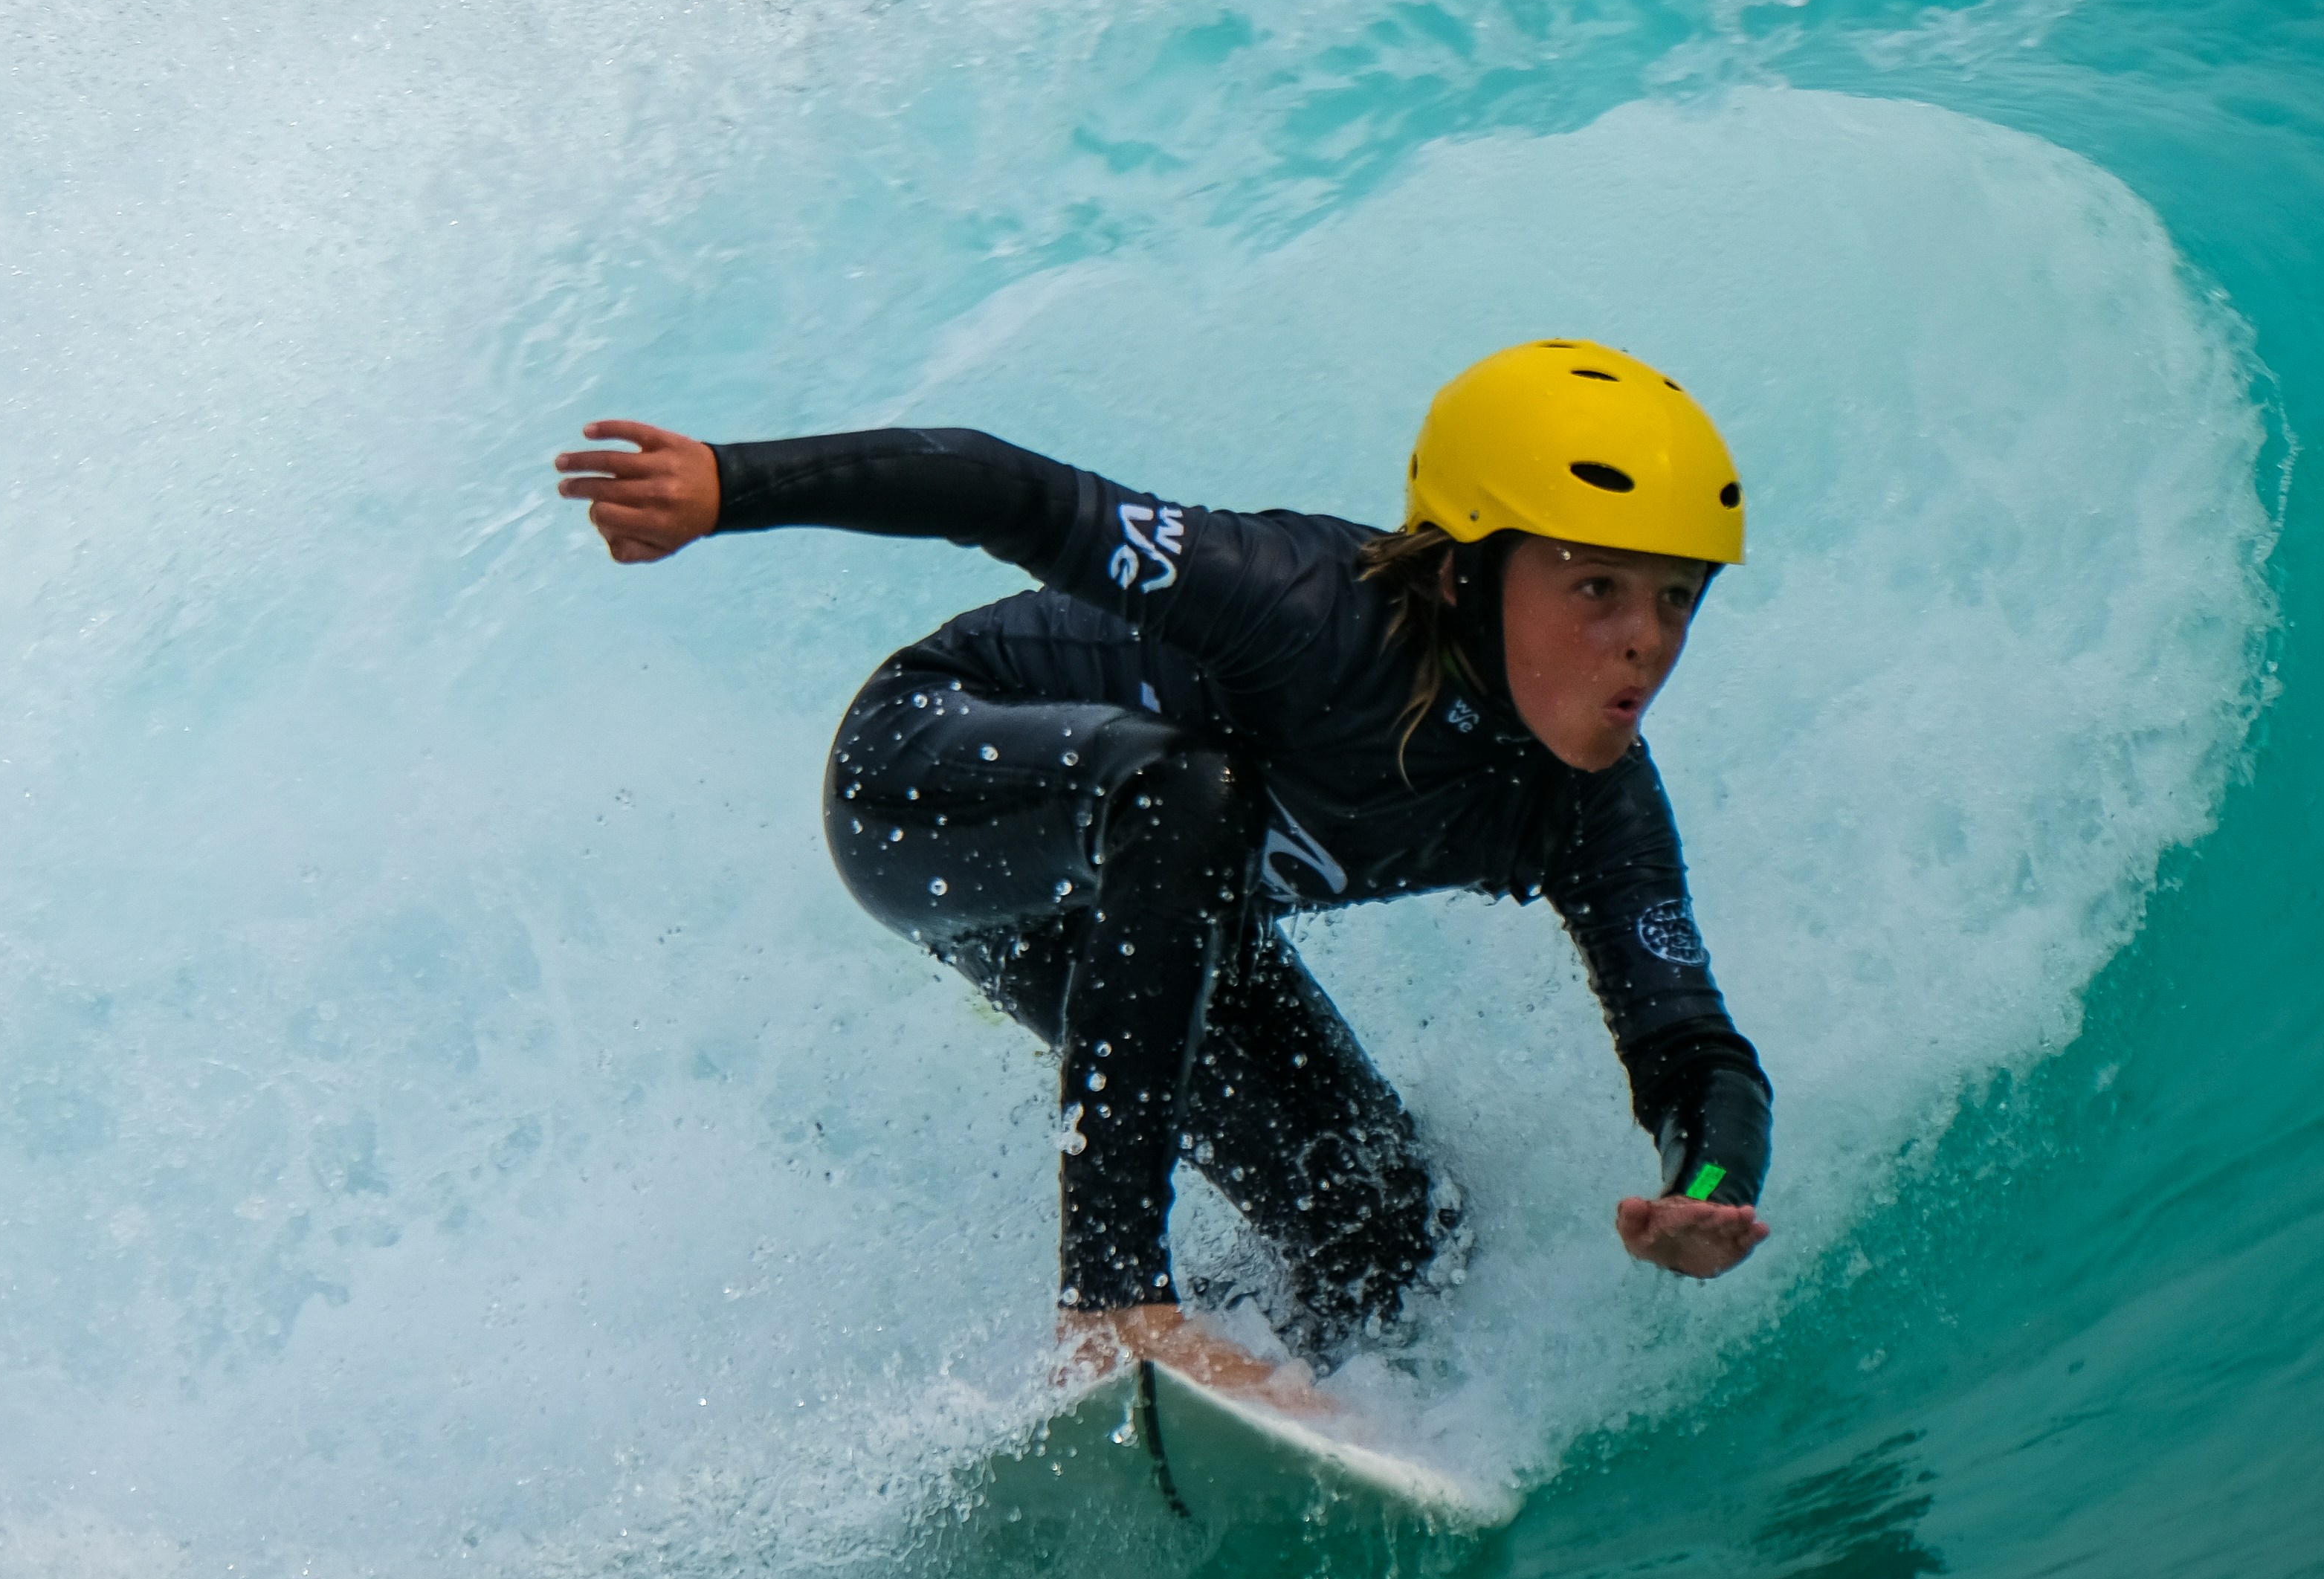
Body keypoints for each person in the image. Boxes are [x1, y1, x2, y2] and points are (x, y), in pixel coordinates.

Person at [554, 340, 1776, 1407]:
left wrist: (1710, 1193)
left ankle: (1240, 1369)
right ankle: (1114, 1307)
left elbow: (1694, 1052)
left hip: (1137, 916)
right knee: (1190, 790)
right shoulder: (1300, 609)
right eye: (1595, 588)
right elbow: (1012, 490)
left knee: (1397, 1231)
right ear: (1464, 570)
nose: (1644, 642)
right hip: (924, 779)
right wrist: (731, 484)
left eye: (1677, 599)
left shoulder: (1589, 801)